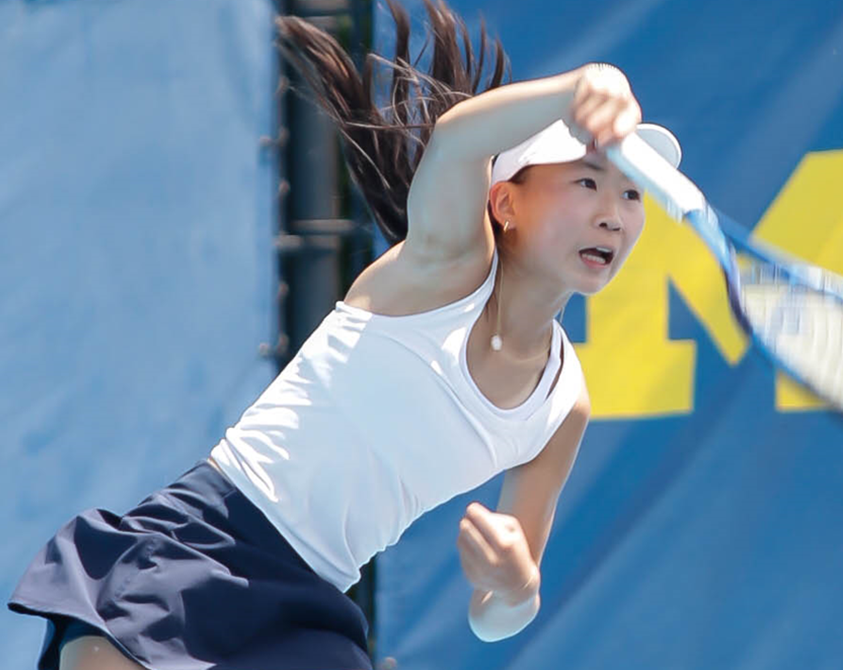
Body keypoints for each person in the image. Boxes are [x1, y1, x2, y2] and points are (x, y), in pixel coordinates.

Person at [7, 1, 681, 668]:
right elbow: (456, 140)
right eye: (588, 181)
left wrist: (515, 587)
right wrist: (579, 87)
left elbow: (497, 618)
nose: (613, 215)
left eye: (631, 194)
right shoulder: (449, 267)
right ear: (504, 204)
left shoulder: (564, 406)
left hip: (309, 608)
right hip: (202, 539)